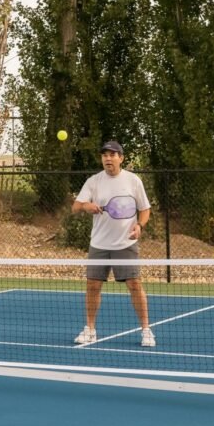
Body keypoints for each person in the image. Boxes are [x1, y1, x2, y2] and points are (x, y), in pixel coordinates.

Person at [71, 140, 155, 347]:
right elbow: (75, 207)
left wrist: (140, 226)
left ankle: (146, 330)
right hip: (99, 244)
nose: (108, 158)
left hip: (125, 243)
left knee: (135, 285)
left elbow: (145, 209)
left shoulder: (133, 181)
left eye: (112, 155)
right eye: (105, 155)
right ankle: (90, 330)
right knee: (92, 286)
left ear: (121, 158)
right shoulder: (93, 181)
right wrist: (86, 206)